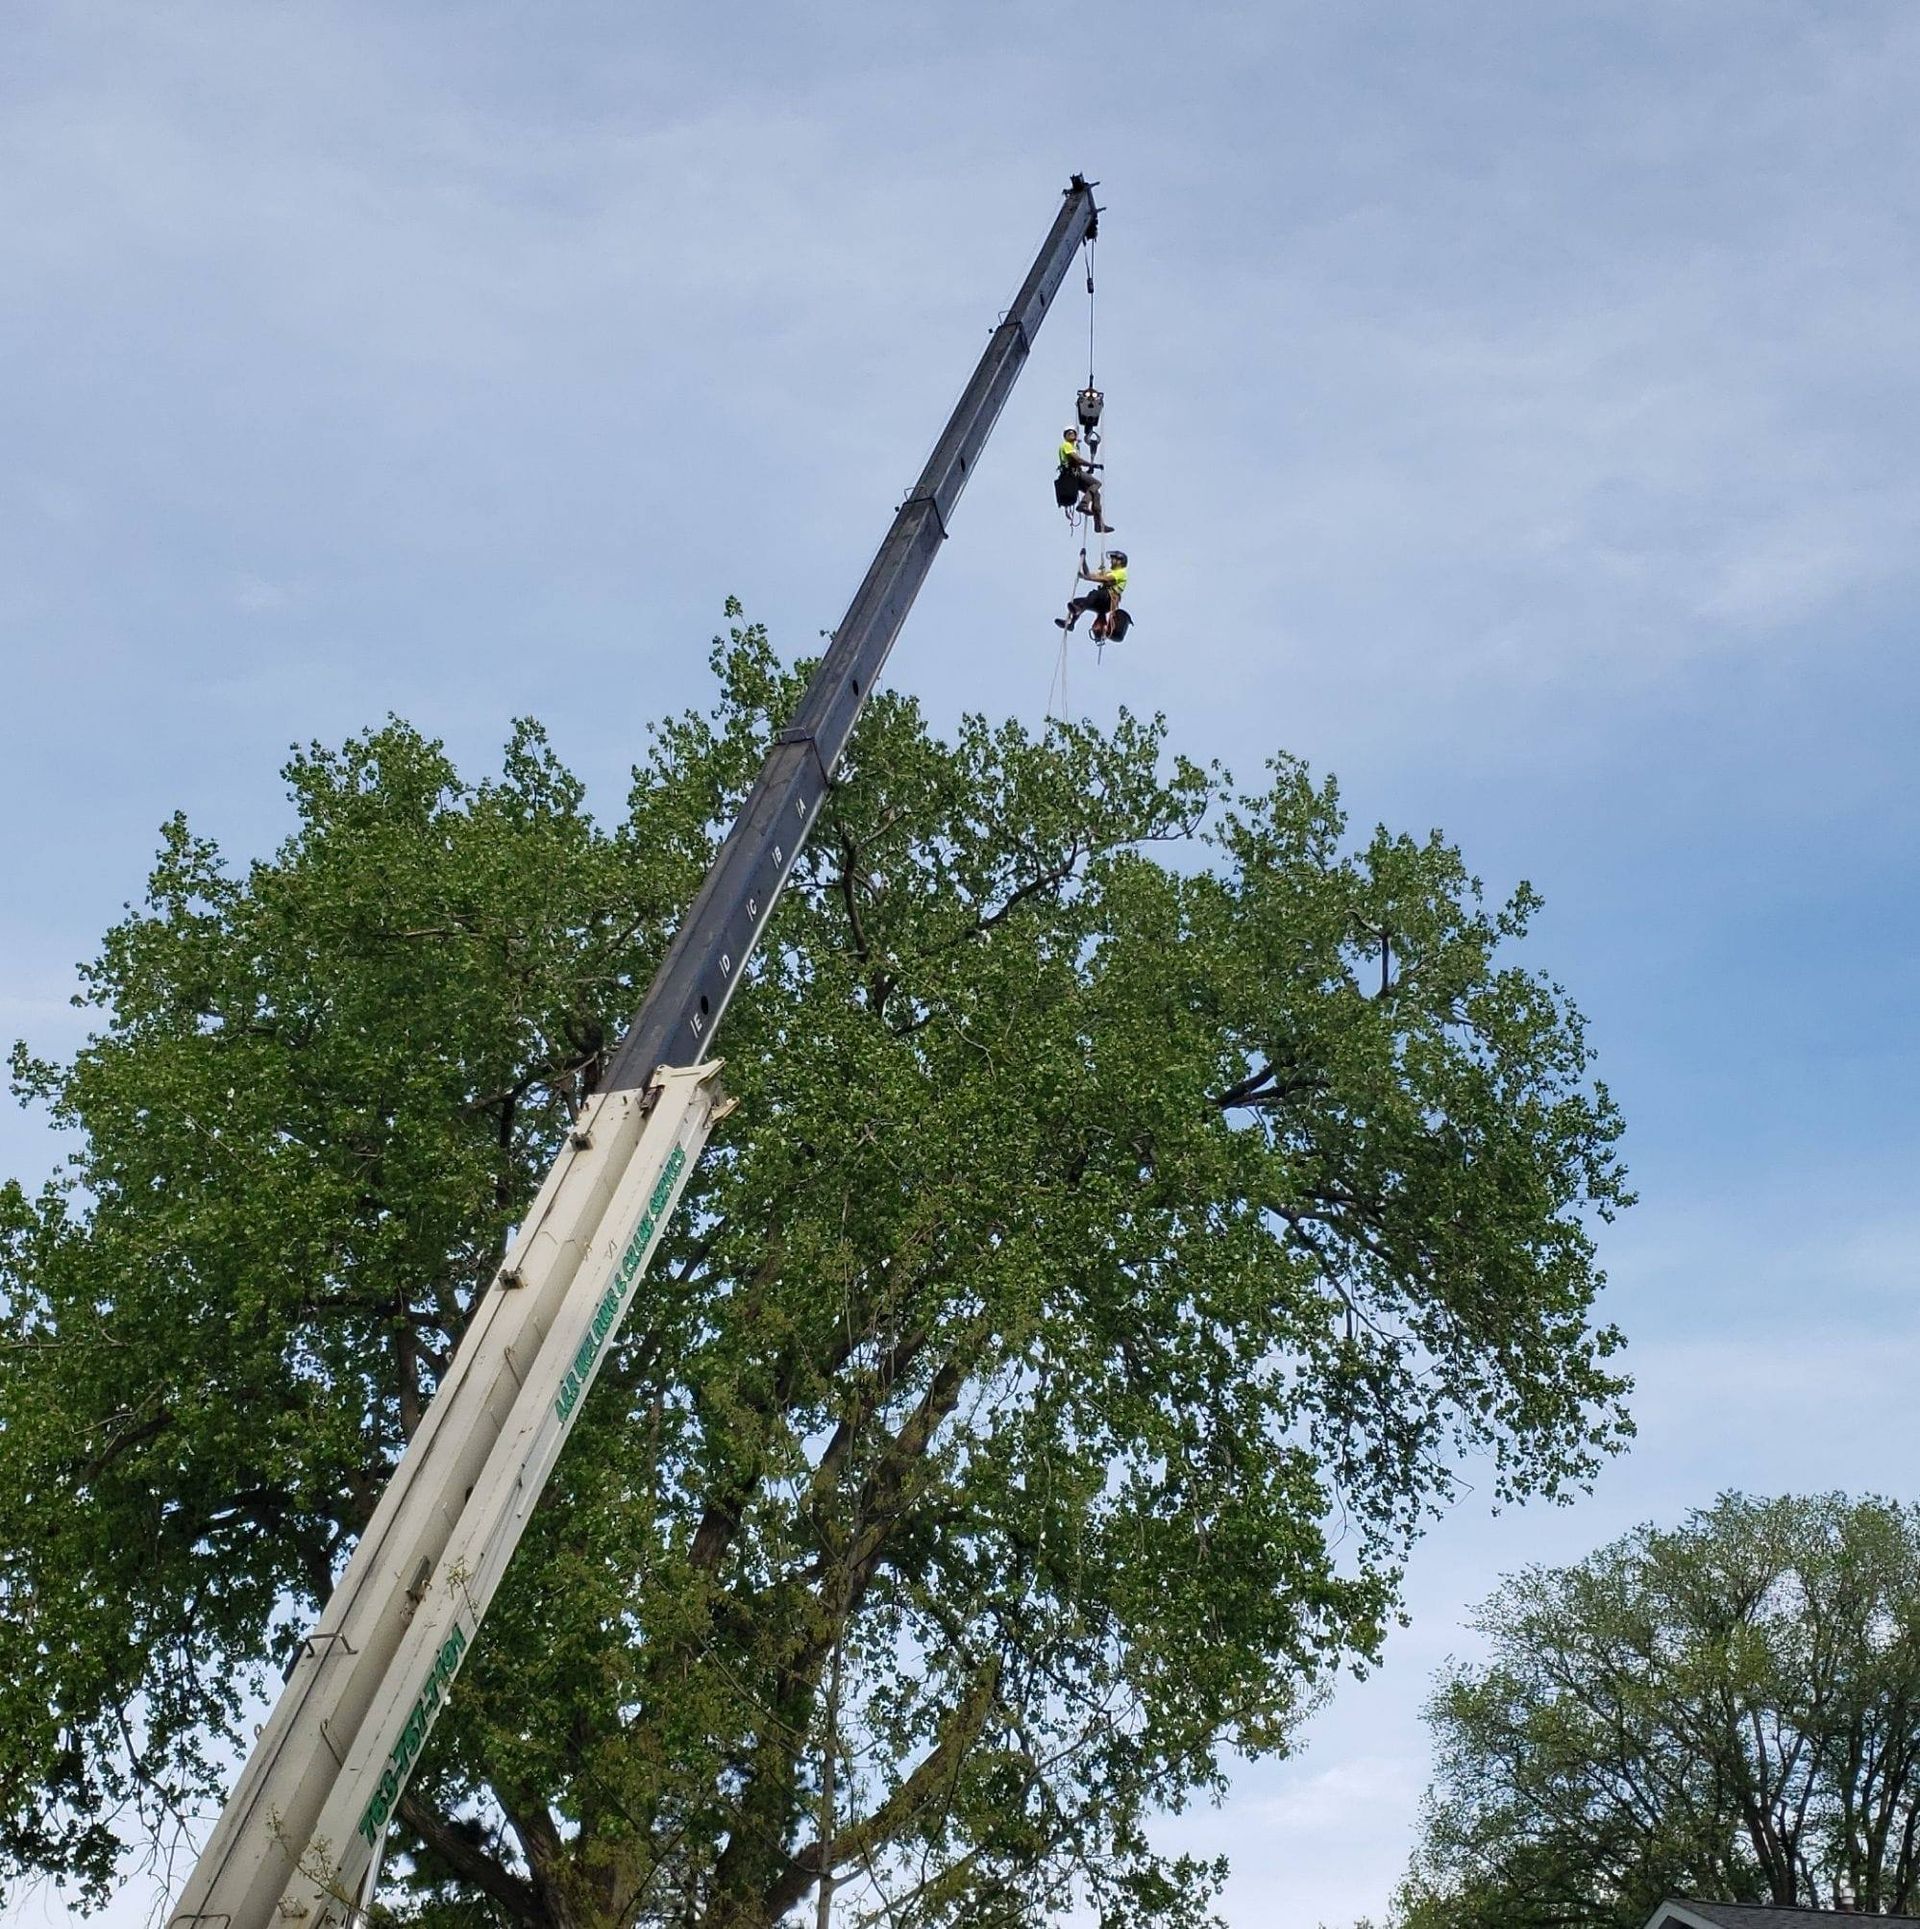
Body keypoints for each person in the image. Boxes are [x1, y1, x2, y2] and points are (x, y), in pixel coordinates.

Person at [1056, 548, 1128, 638]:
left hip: (1108, 600)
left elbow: (1103, 579)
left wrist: (1086, 577)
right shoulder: (1110, 572)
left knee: (1095, 594)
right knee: (1076, 601)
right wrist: (1083, 560)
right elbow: (1089, 574)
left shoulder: (1121, 573)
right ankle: (1071, 624)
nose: (1111, 562)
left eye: (1113, 559)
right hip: (1101, 603)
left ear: (1119, 562)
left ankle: (1079, 609)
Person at [1053, 428, 1114, 533]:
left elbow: (1076, 461)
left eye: (1073, 433)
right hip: (1073, 474)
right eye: (1069, 433)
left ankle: (1098, 525)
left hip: (1074, 474)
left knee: (1096, 494)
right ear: (1065, 437)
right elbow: (1077, 460)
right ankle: (1083, 504)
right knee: (1096, 483)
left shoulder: (1072, 446)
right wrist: (1092, 465)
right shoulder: (1066, 445)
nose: (1071, 434)